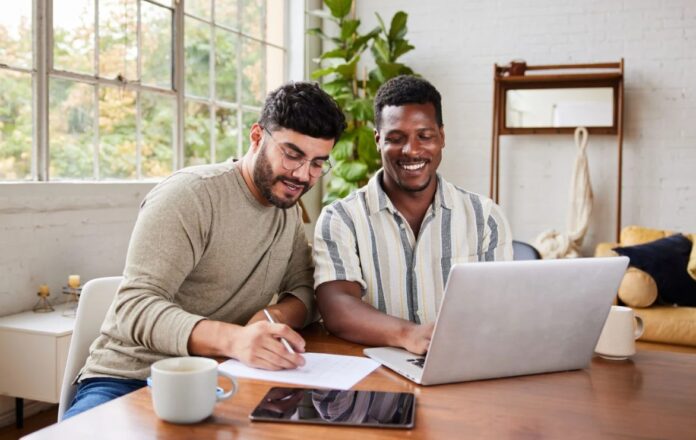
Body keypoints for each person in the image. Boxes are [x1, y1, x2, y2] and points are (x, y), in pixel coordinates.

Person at [63, 82, 346, 420]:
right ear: (257, 137)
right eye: (292, 154)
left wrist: (272, 317)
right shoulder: (190, 196)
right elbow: (134, 306)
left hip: (221, 376)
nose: (302, 175)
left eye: (317, 163)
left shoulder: (285, 209)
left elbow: (307, 288)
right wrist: (234, 339)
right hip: (132, 377)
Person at [313, 75, 512, 355]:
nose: (412, 150)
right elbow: (337, 307)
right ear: (378, 140)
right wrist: (409, 335)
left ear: (441, 136)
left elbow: (499, 308)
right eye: (396, 138)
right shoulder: (341, 219)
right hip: (372, 377)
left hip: (460, 366)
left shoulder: (485, 217)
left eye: (425, 136)